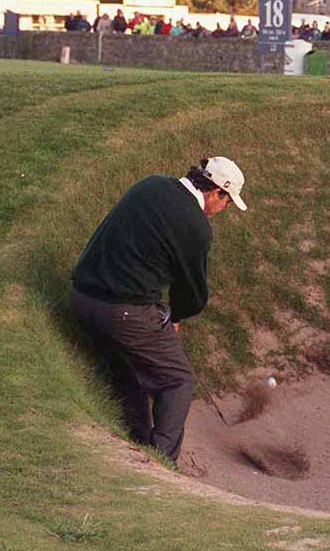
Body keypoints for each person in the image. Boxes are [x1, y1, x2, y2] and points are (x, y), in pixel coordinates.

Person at [70, 157, 248, 465]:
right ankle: (158, 464)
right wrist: (175, 317)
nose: (225, 208)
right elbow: (193, 293)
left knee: (131, 369)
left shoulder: (151, 183)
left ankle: (138, 439)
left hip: (82, 297)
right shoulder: (196, 226)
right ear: (217, 192)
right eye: (228, 201)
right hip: (121, 312)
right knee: (177, 381)